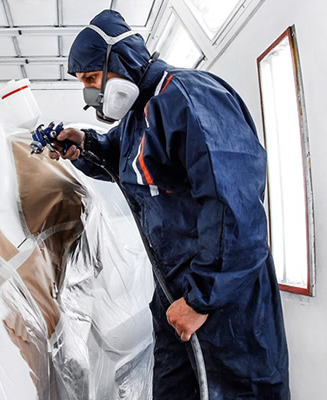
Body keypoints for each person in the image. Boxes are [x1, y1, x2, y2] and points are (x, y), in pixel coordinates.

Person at [49, 9, 290, 400]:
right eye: (83, 83)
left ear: (121, 60)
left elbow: (233, 205)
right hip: (176, 291)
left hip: (223, 300)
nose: (90, 93)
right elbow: (119, 159)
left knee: (235, 391)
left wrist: (201, 299)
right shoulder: (136, 119)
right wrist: (84, 145)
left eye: (92, 78)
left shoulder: (189, 98)